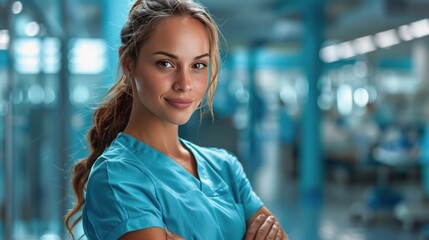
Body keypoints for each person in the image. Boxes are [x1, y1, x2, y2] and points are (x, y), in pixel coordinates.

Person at [65, 0, 288, 239]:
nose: (185, 84)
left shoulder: (225, 167)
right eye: (166, 63)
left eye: (198, 65)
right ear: (128, 63)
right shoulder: (118, 178)